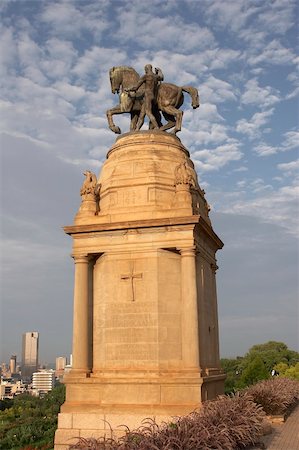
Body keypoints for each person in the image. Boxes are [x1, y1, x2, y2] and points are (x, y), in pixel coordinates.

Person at [127, 64, 164, 130]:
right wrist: (159, 71)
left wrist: (128, 89)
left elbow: (136, 87)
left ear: (146, 69)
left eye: (145, 69)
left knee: (148, 112)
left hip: (147, 95)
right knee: (142, 114)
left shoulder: (145, 76)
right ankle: (137, 129)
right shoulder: (155, 76)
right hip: (153, 96)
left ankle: (156, 126)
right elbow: (161, 77)